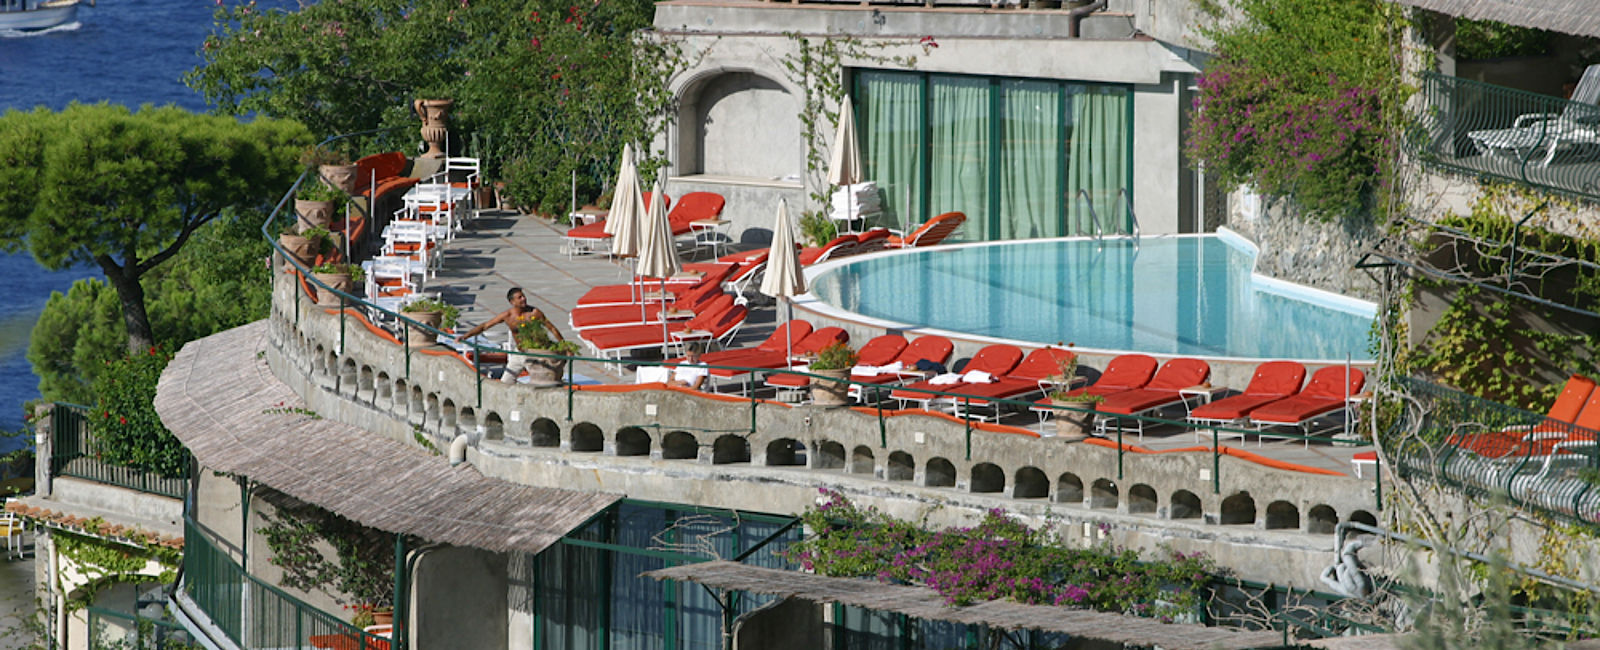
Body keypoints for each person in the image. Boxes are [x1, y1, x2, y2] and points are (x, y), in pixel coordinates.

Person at [456, 287, 565, 384]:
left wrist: (564, 345)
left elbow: (552, 328)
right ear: (512, 302)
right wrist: (465, 336)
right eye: (519, 297)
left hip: (534, 353)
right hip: (519, 352)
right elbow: (485, 326)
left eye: (523, 296)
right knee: (506, 382)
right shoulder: (507, 315)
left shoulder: (534, 313)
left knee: (539, 383)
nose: (523, 299)